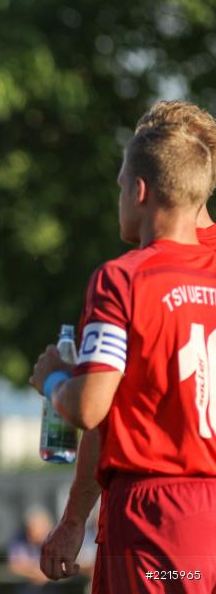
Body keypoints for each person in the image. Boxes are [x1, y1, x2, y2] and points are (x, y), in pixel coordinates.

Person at [31, 107, 216, 591]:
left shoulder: (126, 277)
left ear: (140, 189)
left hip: (154, 516)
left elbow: (92, 407)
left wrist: (53, 378)